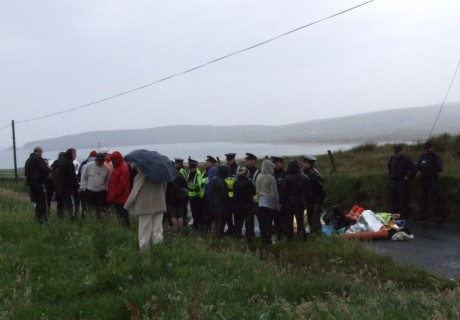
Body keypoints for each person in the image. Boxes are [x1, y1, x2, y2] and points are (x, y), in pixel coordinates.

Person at [124, 167, 167, 251]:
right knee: (157, 230)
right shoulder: (162, 174)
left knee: (144, 230)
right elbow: (164, 188)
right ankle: (158, 251)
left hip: (145, 206)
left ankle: (144, 253)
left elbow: (135, 190)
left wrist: (128, 205)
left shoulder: (143, 174)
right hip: (159, 204)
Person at [281, 160, 310, 240]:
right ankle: (303, 238)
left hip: (289, 204)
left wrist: (282, 202)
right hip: (301, 202)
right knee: (301, 222)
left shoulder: (287, 178)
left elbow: (283, 192)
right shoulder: (304, 177)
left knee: (289, 223)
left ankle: (290, 239)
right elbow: (308, 191)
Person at [416, 141, 444, 223]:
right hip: (423, 179)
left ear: (431, 148)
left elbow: (439, 168)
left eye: (428, 148)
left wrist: (429, 166)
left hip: (432, 180)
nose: (427, 150)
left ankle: (439, 217)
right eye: (425, 148)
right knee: (423, 198)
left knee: (435, 198)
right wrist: (422, 167)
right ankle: (422, 215)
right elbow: (418, 166)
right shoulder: (422, 156)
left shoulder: (436, 157)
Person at [387, 145, 417, 219]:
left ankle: (404, 215)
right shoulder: (392, 158)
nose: (396, 154)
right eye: (395, 152)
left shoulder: (406, 159)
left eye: (397, 152)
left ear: (401, 152)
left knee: (403, 199)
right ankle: (394, 215)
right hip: (394, 181)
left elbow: (414, 169)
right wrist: (391, 174)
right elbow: (389, 166)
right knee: (393, 199)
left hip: (402, 181)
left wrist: (409, 177)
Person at [24, 146, 51, 223]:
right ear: (39, 152)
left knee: (37, 201)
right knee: (41, 202)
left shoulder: (28, 160)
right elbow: (44, 169)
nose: (42, 154)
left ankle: (37, 218)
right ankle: (42, 219)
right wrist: (50, 169)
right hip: (38, 183)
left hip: (31, 184)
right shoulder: (37, 158)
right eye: (41, 152)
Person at [255, 159, 279, 244]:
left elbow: (257, 191)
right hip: (269, 203)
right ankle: (268, 240)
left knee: (262, 222)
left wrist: (259, 201)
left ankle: (263, 238)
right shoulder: (271, 178)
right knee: (268, 222)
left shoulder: (258, 176)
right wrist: (277, 206)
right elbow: (275, 193)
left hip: (261, 201)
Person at [80, 153, 111, 217]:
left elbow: (108, 180)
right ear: (96, 160)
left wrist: (106, 189)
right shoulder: (88, 166)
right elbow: (83, 177)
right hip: (89, 191)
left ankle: (98, 221)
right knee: (87, 209)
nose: (100, 163)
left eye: (102, 161)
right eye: (99, 161)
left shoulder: (107, 168)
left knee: (99, 210)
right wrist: (84, 188)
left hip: (101, 192)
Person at [302, 155, 327, 236]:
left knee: (314, 219)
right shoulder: (308, 172)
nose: (303, 163)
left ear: (308, 163)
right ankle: (315, 234)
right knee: (311, 218)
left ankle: (317, 235)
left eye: (304, 162)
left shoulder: (313, 174)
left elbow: (319, 188)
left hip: (314, 200)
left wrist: (319, 200)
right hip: (310, 200)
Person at [107, 151, 131, 228]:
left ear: (117, 158)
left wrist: (114, 194)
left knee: (123, 216)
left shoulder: (123, 168)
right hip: (117, 198)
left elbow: (122, 185)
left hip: (121, 198)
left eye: (113, 159)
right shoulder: (119, 166)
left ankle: (126, 230)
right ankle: (123, 229)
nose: (112, 161)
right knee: (120, 216)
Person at [233, 166, 256, 240]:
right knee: (248, 223)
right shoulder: (249, 183)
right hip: (248, 205)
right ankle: (249, 237)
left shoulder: (235, 183)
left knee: (238, 223)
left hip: (237, 205)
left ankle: (238, 236)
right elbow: (254, 192)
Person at [208, 164, 229, 238]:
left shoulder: (212, 180)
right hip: (220, 207)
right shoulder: (223, 182)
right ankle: (219, 238)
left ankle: (213, 237)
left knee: (213, 222)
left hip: (212, 205)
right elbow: (225, 196)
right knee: (220, 224)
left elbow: (209, 193)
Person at [165, 167, 188, 235]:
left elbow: (165, 187)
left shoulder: (168, 176)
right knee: (180, 215)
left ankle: (175, 231)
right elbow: (185, 184)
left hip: (170, 198)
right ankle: (181, 232)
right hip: (180, 198)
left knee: (173, 216)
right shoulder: (179, 174)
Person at [60, 148, 81, 221]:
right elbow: (72, 176)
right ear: (70, 154)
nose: (75, 156)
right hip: (69, 188)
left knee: (67, 203)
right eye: (74, 154)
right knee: (72, 203)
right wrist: (77, 187)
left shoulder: (63, 162)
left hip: (64, 187)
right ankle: (73, 218)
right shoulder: (69, 163)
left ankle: (68, 217)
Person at [199, 155, 217, 230]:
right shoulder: (205, 171)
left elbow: (205, 182)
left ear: (212, 163)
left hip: (209, 196)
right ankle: (206, 227)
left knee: (209, 213)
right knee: (204, 213)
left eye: (208, 162)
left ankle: (209, 228)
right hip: (203, 195)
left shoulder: (213, 171)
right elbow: (200, 181)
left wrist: (201, 182)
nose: (206, 163)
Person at [245, 152, 259, 240]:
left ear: (253, 161)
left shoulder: (257, 172)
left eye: (249, 160)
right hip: (246, 200)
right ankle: (249, 236)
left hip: (255, 200)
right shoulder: (244, 170)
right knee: (248, 220)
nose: (247, 161)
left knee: (259, 218)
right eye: (246, 160)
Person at [186, 158, 204, 230]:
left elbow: (199, 184)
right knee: (193, 212)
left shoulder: (198, 174)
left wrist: (196, 189)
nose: (189, 170)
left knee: (198, 212)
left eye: (190, 168)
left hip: (197, 196)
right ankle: (195, 224)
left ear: (194, 168)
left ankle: (199, 225)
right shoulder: (190, 173)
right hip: (191, 195)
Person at [224, 153, 238, 236]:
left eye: (229, 160)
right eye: (227, 160)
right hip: (227, 195)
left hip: (234, 196)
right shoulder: (226, 168)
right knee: (227, 214)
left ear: (233, 159)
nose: (228, 161)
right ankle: (230, 228)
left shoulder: (237, 168)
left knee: (236, 214)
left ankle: (236, 229)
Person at [272, 156, 286, 237]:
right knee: (276, 219)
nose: (276, 164)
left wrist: (281, 201)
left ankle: (284, 234)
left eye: (277, 163)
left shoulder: (284, 173)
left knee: (283, 219)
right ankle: (278, 235)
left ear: (281, 163)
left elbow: (285, 189)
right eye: (274, 163)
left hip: (282, 201)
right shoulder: (272, 173)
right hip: (273, 200)